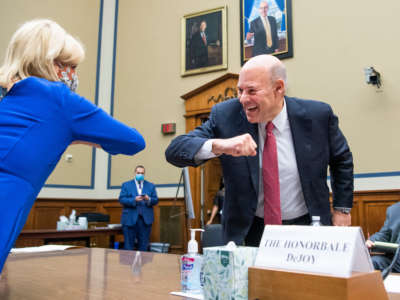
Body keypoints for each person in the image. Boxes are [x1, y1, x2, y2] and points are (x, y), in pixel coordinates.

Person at [0, 19, 146, 273]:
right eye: (71, 66)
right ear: (53, 64)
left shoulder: (8, 97)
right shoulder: (60, 99)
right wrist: (85, 137)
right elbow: (133, 141)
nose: (73, 75)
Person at [165, 54, 354, 246]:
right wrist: (220, 145)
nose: (243, 99)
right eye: (240, 90)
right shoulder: (226, 116)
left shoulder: (317, 116)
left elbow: (342, 160)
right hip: (251, 231)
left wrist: (342, 209)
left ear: (278, 88)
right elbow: (175, 150)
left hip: (306, 225)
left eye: (252, 91)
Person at [119, 165, 158, 251]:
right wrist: (134, 199)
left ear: (144, 174)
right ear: (134, 173)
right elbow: (122, 199)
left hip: (145, 221)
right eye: (138, 173)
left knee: (143, 247)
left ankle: (141, 264)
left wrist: (149, 199)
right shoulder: (126, 185)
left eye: (142, 173)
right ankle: (129, 264)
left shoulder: (151, 186)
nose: (140, 174)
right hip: (130, 219)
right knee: (128, 247)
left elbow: (155, 200)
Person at [365, 202, 400, 272]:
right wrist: (370, 241)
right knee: (372, 262)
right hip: (395, 260)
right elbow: (384, 235)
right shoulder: (394, 209)